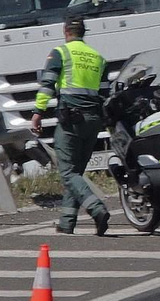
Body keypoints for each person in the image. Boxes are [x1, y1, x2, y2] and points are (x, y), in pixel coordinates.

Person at [33, 14, 111, 232]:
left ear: (65, 31)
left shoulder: (60, 53)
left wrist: (38, 112)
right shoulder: (98, 58)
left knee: (67, 172)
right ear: (83, 33)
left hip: (71, 121)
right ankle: (67, 222)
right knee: (75, 172)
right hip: (93, 121)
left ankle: (97, 209)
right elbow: (105, 93)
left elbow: (47, 85)